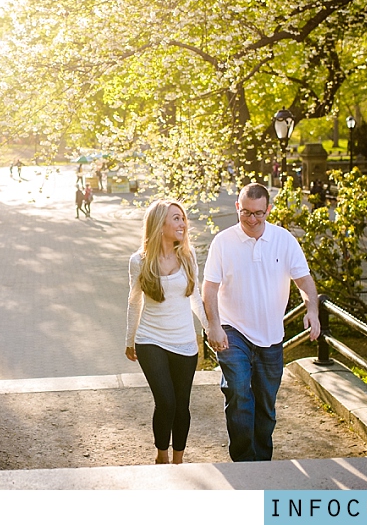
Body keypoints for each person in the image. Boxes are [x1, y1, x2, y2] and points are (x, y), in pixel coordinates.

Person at [202, 182, 320, 462]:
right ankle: (245, 463)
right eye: (246, 213)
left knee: (266, 405)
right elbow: (209, 288)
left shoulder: (284, 240)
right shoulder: (223, 242)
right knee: (239, 393)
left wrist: (312, 310)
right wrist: (214, 325)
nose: (252, 220)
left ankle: (262, 462)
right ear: (237, 208)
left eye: (258, 213)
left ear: (268, 209)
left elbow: (304, 280)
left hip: (271, 337)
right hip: (233, 333)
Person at [126, 199, 209, 465]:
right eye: (176, 218)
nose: (183, 223)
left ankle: (178, 461)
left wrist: (210, 329)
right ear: (159, 224)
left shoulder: (188, 256)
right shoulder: (139, 261)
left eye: (183, 218)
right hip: (150, 340)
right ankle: (162, 457)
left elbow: (195, 296)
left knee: (182, 405)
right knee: (166, 401)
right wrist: (130, 340)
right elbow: (134, 301)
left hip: (185, 341)